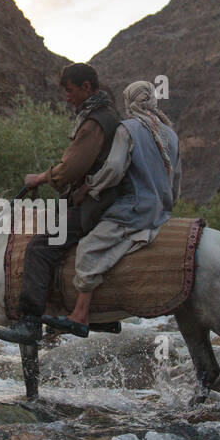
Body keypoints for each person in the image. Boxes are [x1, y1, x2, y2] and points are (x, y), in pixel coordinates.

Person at [0, 63, 121, 345]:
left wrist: (38, 179)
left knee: (40, 249)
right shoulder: (110, 115)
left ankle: (30, 323)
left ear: (86, 88)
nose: (67, 97)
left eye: (70, 90)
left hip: (95, 205)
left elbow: (70, 169)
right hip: (105, 200)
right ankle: (102, 314)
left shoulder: (94, 122)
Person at [48, 79, 181, 336]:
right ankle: (104, 315)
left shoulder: (127, 129)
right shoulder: (170, 134)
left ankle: (80, 314)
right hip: (160, 210)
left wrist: (90, 188)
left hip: (133, 209)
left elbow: (113, 169)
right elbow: (176, 179)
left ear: (129, 100)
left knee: (88, 248)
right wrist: (168, 206)